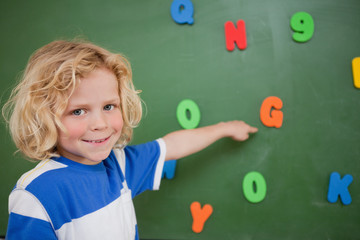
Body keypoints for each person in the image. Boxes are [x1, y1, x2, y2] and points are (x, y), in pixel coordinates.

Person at [2, 39, 258, 240]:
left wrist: (224, 128)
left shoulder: (120, 165)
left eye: (109, 106)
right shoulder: (36, 194)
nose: (100, 124)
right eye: (78, 111)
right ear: (44, 117)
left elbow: (174, 144)